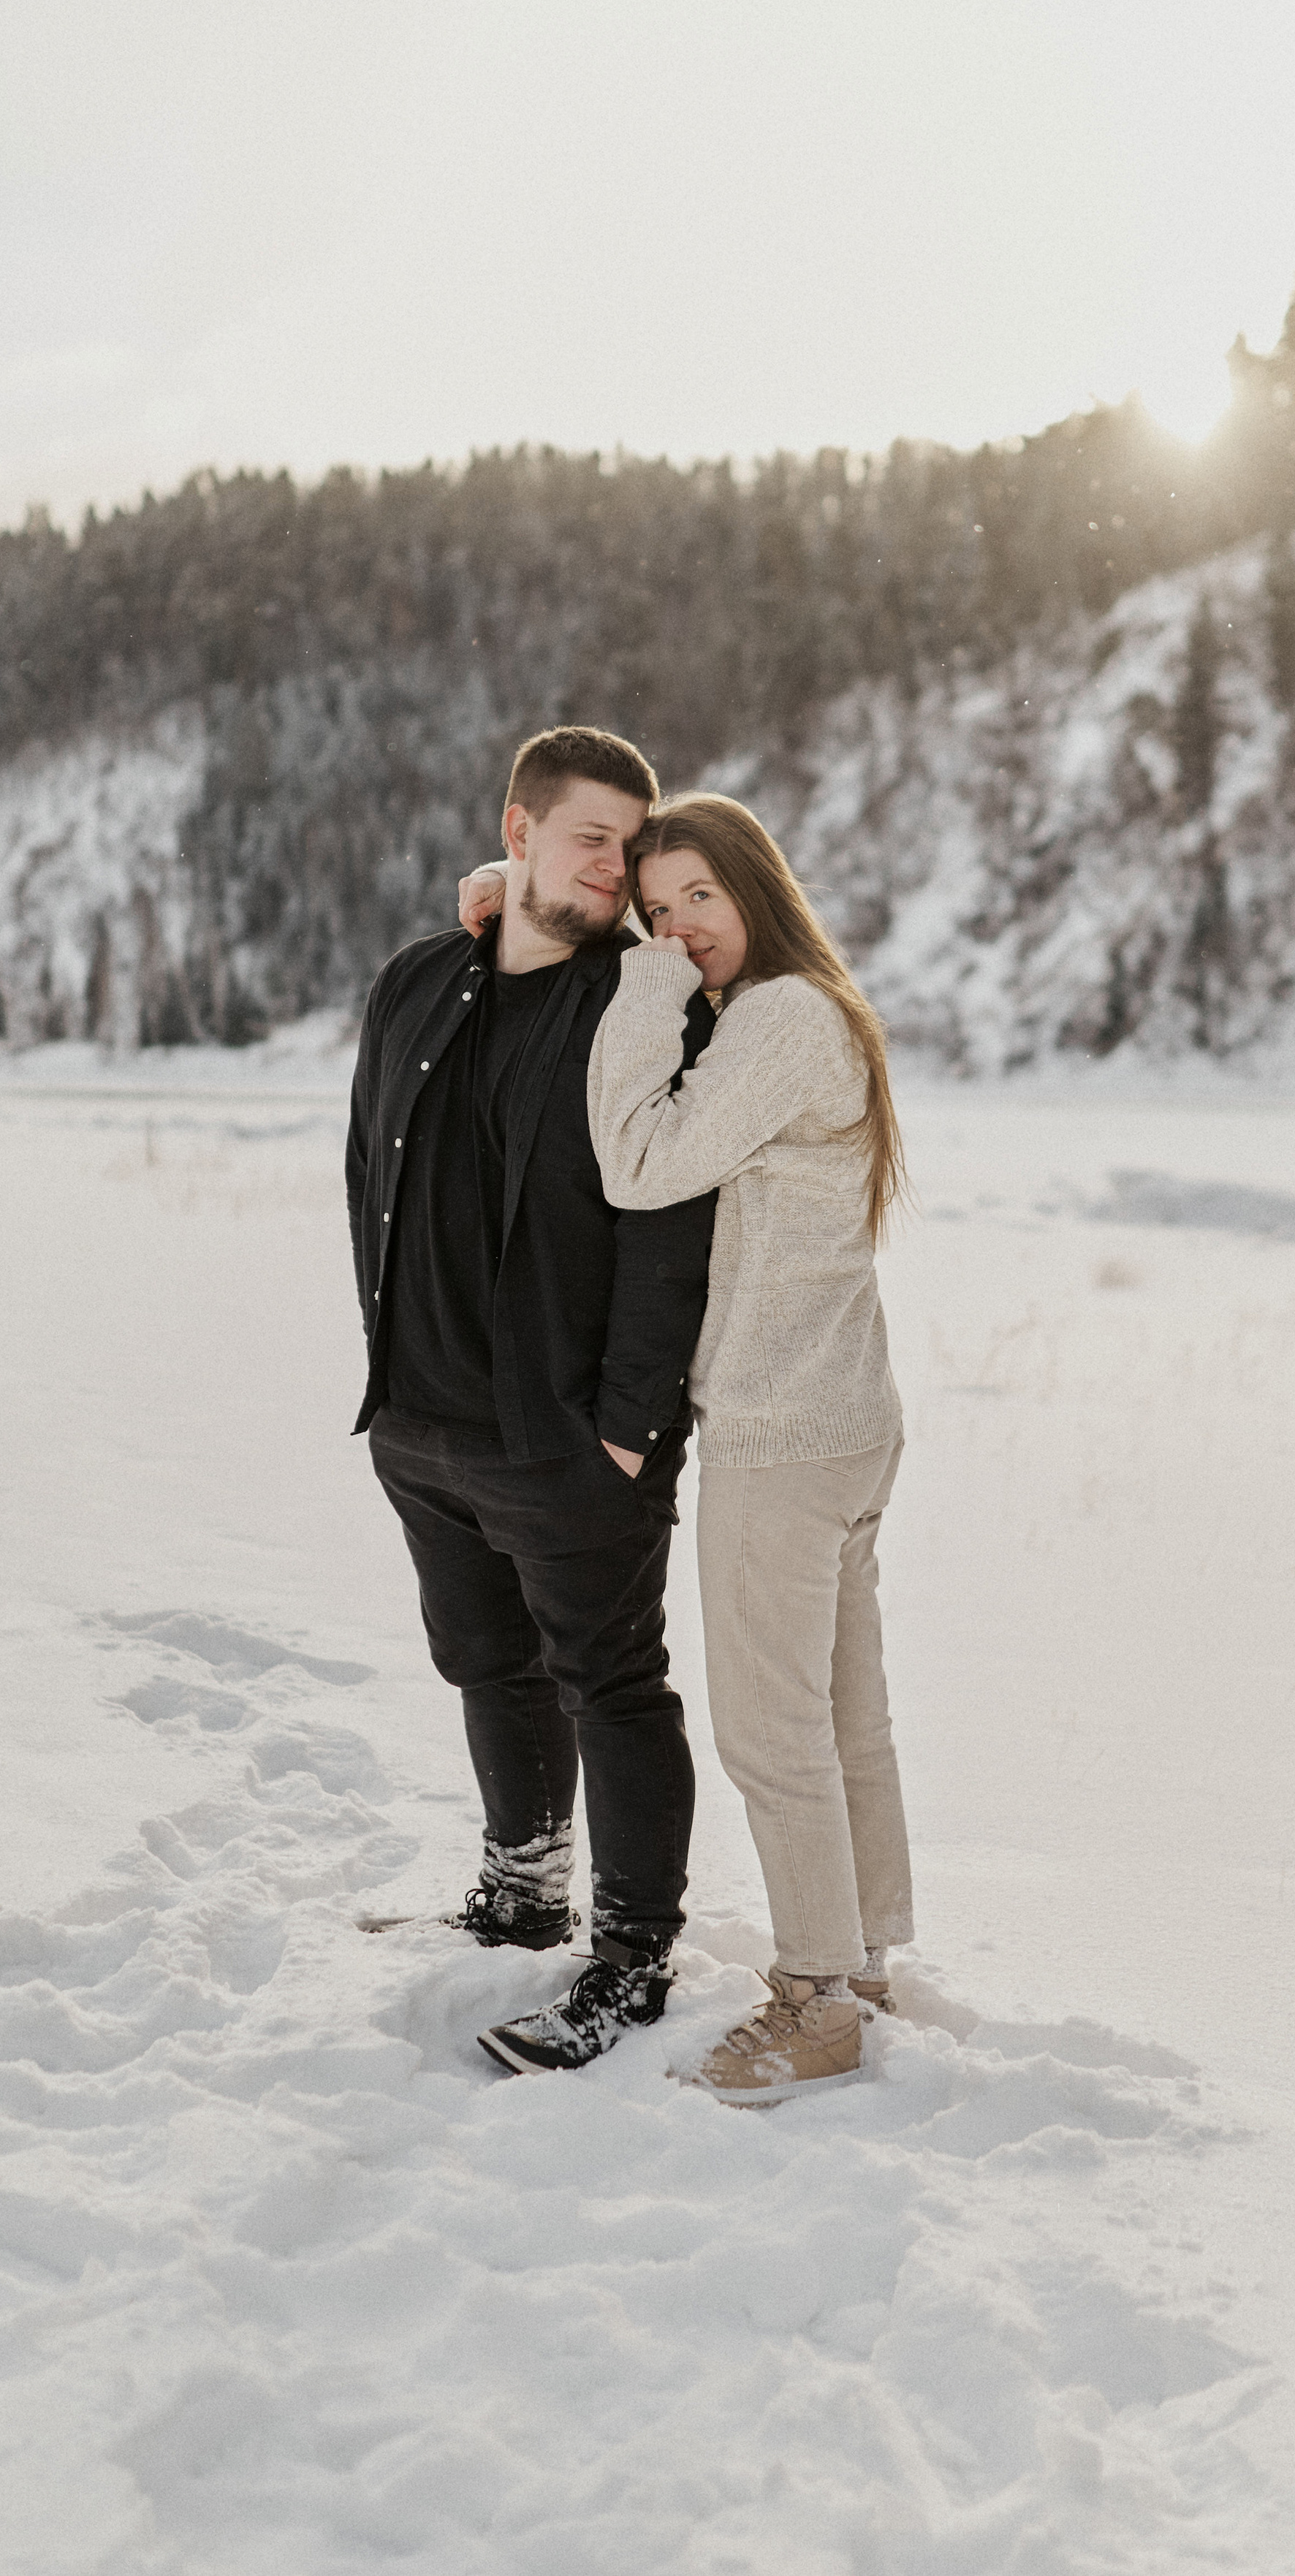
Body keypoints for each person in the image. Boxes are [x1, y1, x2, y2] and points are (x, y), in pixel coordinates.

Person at [462, 791, 913, 2102]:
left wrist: (641, 988)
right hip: (842, 1421)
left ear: (757, 890)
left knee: (774, 1729)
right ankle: (866, 1958)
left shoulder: (776, 1018)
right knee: (844, 1716)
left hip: (785, 1433)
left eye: (699, 901)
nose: (677, 933)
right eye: (656, 914)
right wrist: (499, 897)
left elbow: (637, 1160)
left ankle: (818, 1998)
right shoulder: (812, 1013)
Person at [348, 726, 716, 2078]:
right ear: (517, 829)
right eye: (589, 838)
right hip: (426, 1422)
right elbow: (365, 1175)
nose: (615, 868)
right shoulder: (414, 985)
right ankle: (524, 1890)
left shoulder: (639, 1002)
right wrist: (388, 1375)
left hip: (570, 1437)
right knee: (485, 1665)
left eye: (631, 843)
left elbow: (669, 1224)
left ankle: (630, 1958)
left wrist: (631, 1423)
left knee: (612, 1685)